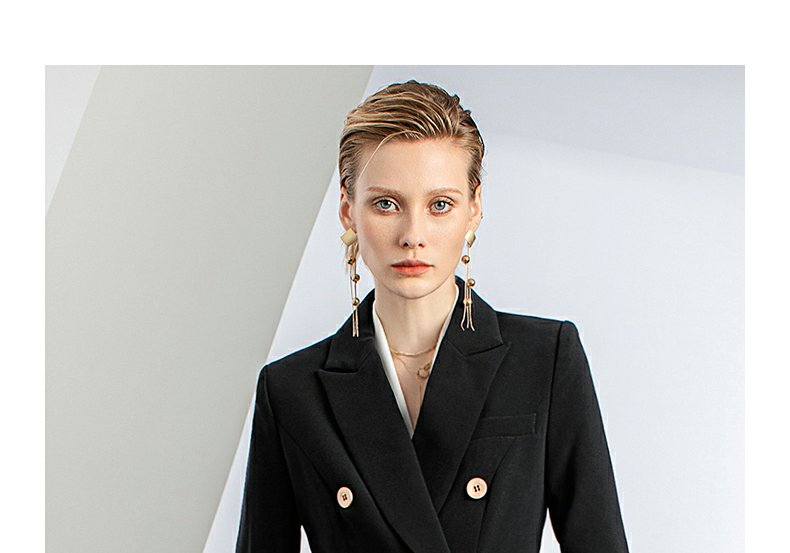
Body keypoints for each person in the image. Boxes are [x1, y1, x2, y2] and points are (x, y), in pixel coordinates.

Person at [236, 80, 629, 553]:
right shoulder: (291, 390)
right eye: (386, 204)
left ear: (474, 209)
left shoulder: (544, 360)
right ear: (347, 211)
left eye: (439, 205)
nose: (412, 235)